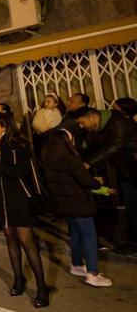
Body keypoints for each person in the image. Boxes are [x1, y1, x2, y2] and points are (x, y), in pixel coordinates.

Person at [0, 112, 49, 308]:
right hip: (0, 199)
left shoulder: (19, 144)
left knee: (26, 241)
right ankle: (18, 279)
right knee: (9, 238)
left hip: (18, 198)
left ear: (4, 126)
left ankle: (42, 287)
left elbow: (21, 171)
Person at [41, 129, 113, 287]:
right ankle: (93, 273)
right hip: (78, 202)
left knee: (75, 233)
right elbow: (86, 181)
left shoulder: (47, 157)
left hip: (63, 203)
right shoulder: (70, 159)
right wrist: (98, 182)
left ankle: (76, 264)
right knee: (89, 236)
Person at [75, 106, 137, 256]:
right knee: (132, 206)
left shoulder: (118, 123)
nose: (82, 126)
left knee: (133, 206)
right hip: (126, 171)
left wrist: (89, 163)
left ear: (92, 117)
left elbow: (114, 146)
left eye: (83, 123)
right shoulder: (100, 128)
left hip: (133, 167)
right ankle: (134, 242)